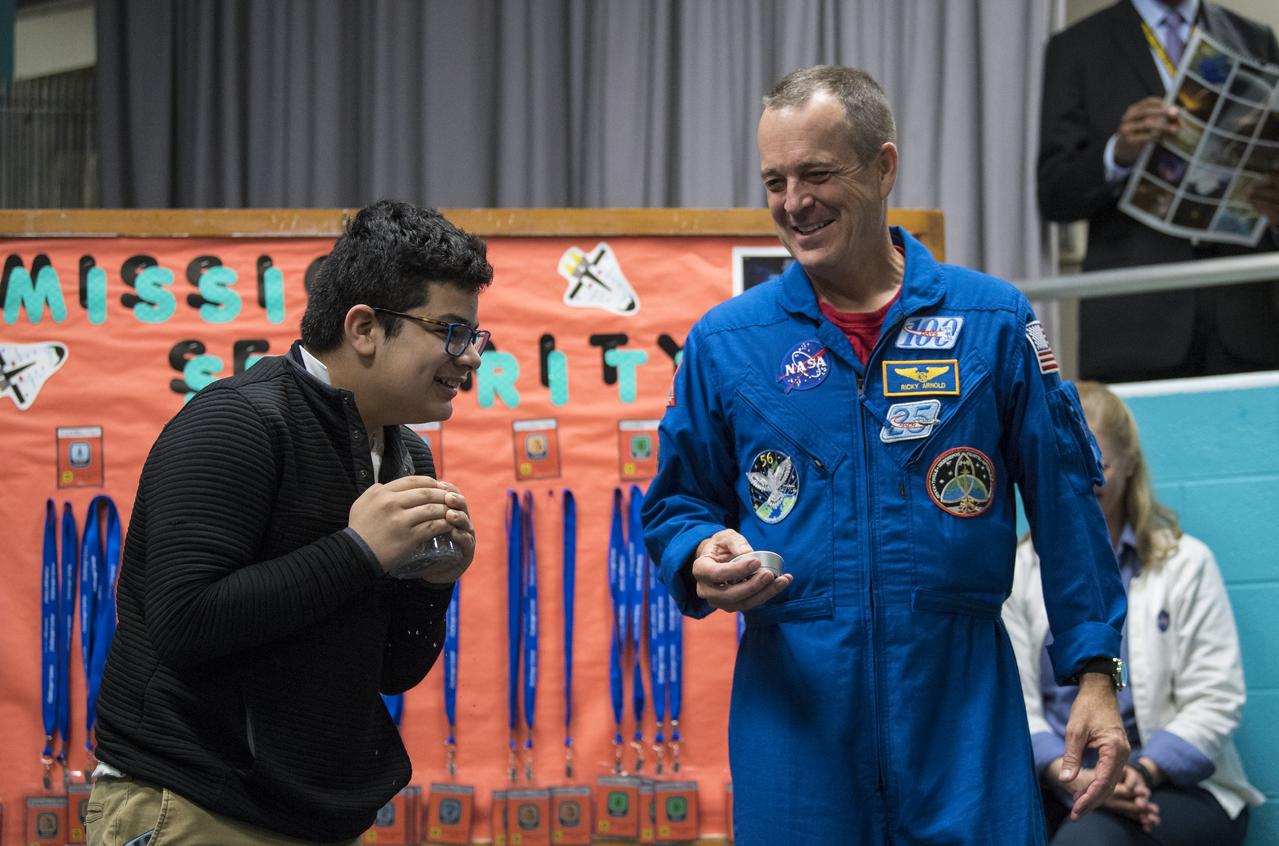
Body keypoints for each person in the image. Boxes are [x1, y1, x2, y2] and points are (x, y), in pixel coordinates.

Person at [641, 65, 1131, 845]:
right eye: (774, 180)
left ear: (883, 166)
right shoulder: (727, 343)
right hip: (795, 718)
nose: (793, 202)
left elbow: (1065, 501)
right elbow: (674, 504)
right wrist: (698, 550)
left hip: (960, 710)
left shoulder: (991, 321)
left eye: (816, 173)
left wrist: (1096, 676)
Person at [86, 200, 492, 845]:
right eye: (449, 330)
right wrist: (359, 552)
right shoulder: (237, 423)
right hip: (192, 806)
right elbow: (183, 622)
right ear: (363, 327)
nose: (468, 357)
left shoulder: (406, 452)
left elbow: (390, 671)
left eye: (474, 336)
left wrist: (430, 586)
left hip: (318, 815)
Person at [1003, 381, 1263, 846]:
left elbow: (1215, 699)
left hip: (1166, 784)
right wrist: (1068, 775)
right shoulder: (1019, 573)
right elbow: (1017, 704)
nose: (1082, 485)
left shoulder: (1185, 564)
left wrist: (1136, 771)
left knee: (1088, 842)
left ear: (1129, 466)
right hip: (1054, 780)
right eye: (1067, 468)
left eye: (1097, 467)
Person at [1038, 0, 1279, 383]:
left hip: (1246, 320)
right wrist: (1117, 152)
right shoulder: (1078, 46)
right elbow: (1054, 194)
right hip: (1136, 324)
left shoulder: (1256, 39)